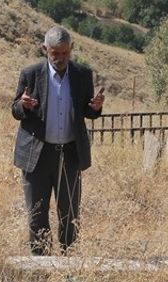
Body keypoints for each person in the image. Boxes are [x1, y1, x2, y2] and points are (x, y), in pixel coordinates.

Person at [11, 26, 105, 255]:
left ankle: (69, 260)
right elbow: (15, 110)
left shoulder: (83, 75)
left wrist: (95, 109)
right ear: (45, 49)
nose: (61, 58)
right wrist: (22, 105)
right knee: (36, 213)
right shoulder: (31, 74)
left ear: (71, 49)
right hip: (37, 156)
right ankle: (40, 264)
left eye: (65, 53)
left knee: (70, 213)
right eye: (55, 53)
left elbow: (85, 111)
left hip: (70, 155)